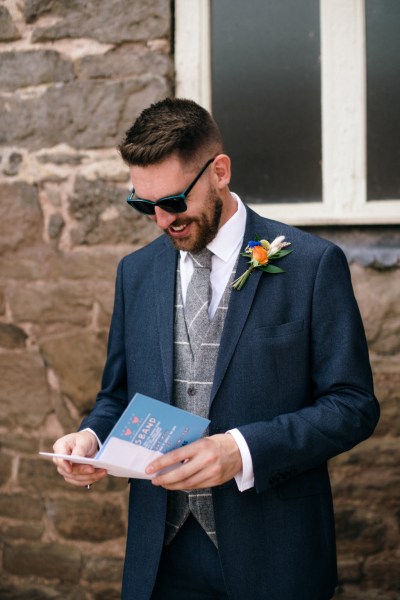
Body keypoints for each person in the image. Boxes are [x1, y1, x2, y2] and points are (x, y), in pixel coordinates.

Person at [53, 97, 379, 600]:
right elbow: (116, 395)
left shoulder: (312, 265)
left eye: (175, 202)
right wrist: (93, 439)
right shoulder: (135, 273)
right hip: (160, 555)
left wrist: (241, 450)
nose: (162, 220)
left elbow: (353, 406)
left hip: (274, 552)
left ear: (219, 171)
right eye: (145, 205)